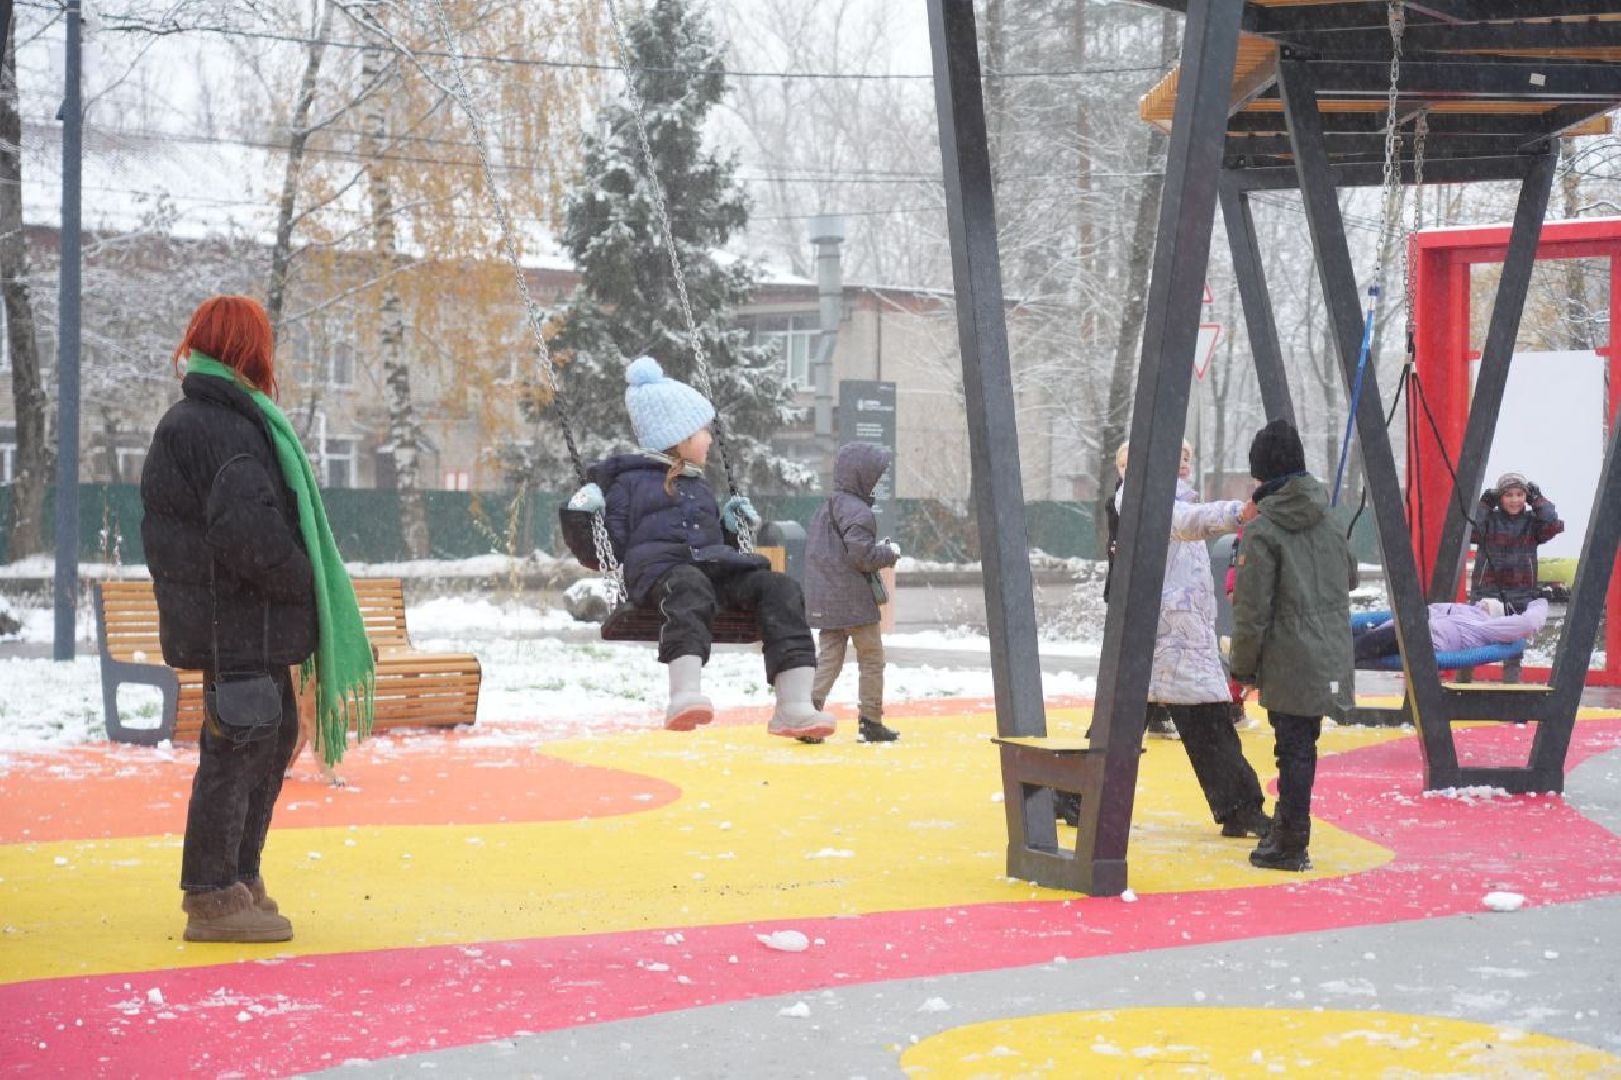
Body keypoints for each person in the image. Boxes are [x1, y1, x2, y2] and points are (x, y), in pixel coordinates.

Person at [141, 296, 375, 943]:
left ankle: (239, 879)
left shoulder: (214, 421)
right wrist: (308, 581)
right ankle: (213, 894)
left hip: (235, 620)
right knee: (239, 749)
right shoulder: (221, 427)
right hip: (235, 622)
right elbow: (246, 533)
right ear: (250, 350)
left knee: (264, 744)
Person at [569, 356, 834, 740]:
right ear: (677, 437)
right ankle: (685, 695)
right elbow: (602, 551)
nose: (710, 438)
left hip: (709, 569)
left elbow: (707, 546)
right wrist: (581, 516)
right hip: (662, 576)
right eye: (702, 431)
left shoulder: (699, 484)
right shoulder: (627, 485)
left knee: (781, 587)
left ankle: (793, 706)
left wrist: (730, 529)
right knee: (689, 585)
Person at [1114, 440, 1272, 840]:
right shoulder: (1143, 501)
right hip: (1167, 634)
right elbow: (1187, 522)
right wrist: (1238, 512)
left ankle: (1076, 796)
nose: (1184, 463)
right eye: (1175, 456)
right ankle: (1241, 808)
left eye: (1187, 456)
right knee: (1205, 721)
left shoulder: (1166, 502)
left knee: (1129, 724)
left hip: (1175, 634)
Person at [1230, 419, 1356, 873]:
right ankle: (1288, 832)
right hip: (1329, 652)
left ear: (1262, 475)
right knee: (1304, 744)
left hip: (1288, 655)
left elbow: (1251, 611)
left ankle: (1290, 840)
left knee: (1293, 748)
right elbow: (1350, 576)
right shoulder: (1331, 518)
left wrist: (1241, 667)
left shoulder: (1262, 532)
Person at [803, 442, 901, 744]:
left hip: (826, 598)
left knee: (829, 659)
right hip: (854, 601)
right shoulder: (859, 511)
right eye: (876, 474)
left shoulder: (828, 507)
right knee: (871, 659)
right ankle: (870, 722)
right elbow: (863, 557)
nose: (878, 480)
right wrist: (889, 552)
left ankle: (807, 716)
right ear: (863, 475)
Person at [1471, 472, 1563, 614]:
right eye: (1508, 495)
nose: (1515, 500)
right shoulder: (1489, 521)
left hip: (1523, 596)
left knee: (1517, 636)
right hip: (1488, 596)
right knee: (1488, 635)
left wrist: (1538, 500)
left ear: (1527, 498)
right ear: (1499, 498)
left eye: (1520, 494)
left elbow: (1553, 524)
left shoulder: (1532, 523)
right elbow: (1470, 531)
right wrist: (1484, 505)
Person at [1353, 597, 1549, 663]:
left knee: (1373, 642)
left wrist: (1538, 602)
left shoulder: (1486, 627)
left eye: (1486, 605)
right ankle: (1345, 650)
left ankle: (1341, 656)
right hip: (1417, 629)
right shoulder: (1460, 610)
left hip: (1429, 638)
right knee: (1372, 638)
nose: (1481, 604)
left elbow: (1527, 624)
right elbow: (1425, 612)